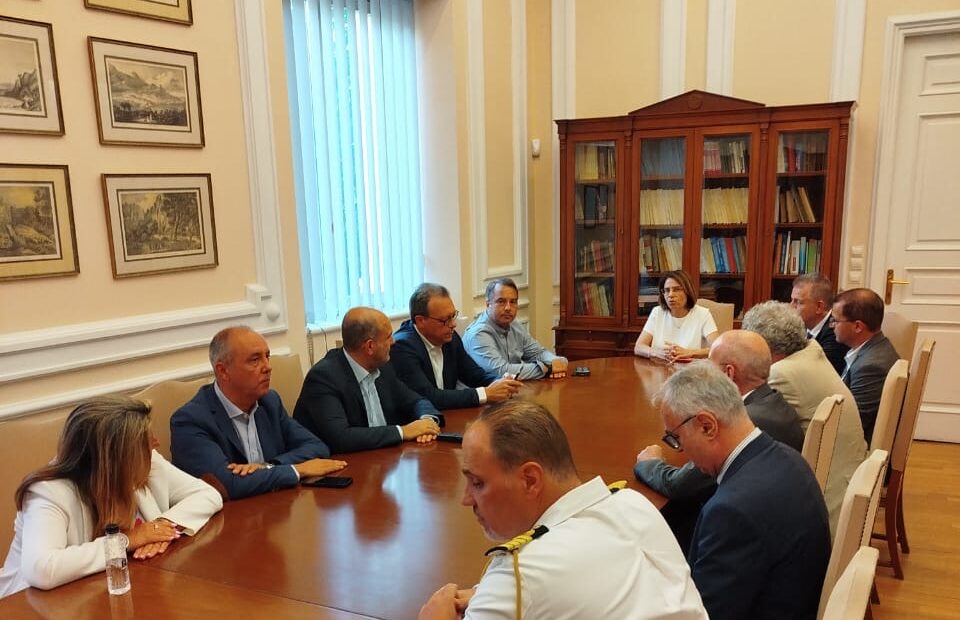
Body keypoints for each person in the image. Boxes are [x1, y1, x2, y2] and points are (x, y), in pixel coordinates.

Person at [418, 400, 707, 620]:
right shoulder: (632, 502)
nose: (466, 499)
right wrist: (491, 595)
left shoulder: (518, 576)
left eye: (477, 483)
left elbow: (534, 583)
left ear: (530, 480)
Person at [656, 362, 830, 620]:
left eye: (676, 438)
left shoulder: (732, 511)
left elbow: (706, 614)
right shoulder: (790, 457)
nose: (681, 451)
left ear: (707, 426)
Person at [0, 397, 222, 598]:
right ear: (115, 458)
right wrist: (127, 540)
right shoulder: (48, 492)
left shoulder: (148, 462)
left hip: (114, 591)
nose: (156, 443)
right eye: (145, 441)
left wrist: (161, 527)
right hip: (31, 605)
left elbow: (208, 494)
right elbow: (41, 570)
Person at [171, 326, 346, 500]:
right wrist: (296, 470)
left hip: (273, 507)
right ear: (223, 371)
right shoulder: (190, 420)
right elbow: (225, 485)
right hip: (230, 515)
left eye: (267, 357)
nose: (268, 367)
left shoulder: (269, 402)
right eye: (255, 360)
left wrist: (267, 466)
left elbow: (316, 446)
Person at [635, 330, 804, 507]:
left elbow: (679, 485)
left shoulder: (742, 422)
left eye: (709, 365)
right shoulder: (777, 402)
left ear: (728, 373)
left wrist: (650, 463)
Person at [743, 301, 866, 534]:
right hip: (847, 478)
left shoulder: (780, 373)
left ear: (763, 348)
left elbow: (743, 425)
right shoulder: (811, 351)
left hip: (824, 502)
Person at [293, 307, 442, 453]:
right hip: (344, 463)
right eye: (388, 336)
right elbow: (341, 438)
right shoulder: (323, 378)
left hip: (384, 458)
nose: (393, 341)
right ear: (370, 346)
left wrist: (427, 422)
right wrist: (403, 431)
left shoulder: (383, 366)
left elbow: (416, 401)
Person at [391, 283, 521, 409]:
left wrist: (501, 382)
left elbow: (474, 375)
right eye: (445, 320)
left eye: (453, 316)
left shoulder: (449, 337)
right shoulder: (402, 347)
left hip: (450, 414)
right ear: (420, 321)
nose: (453, 324)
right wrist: (485, 394)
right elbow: (429, 396)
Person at [832, 288, 902, 443]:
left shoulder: (871, 367)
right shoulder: (873, 348)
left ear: (858, 326)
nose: (832, 326)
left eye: (835, 321)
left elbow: (853, 425)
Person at [463, 278, 568, 380]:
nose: (508, 308)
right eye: (501, 301)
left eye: (513, 302)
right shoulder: (478, 334)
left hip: (511, 389)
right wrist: (549, 368)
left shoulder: (514, 325)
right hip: (483, 391)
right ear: (488, 304)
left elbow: (538, 353)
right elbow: (502, 372)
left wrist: (558, 362)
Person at [634, 270, 719, 362]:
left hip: (691, 368)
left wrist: (690, 352)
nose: (671, 295)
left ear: (687, 291)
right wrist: (656, 353)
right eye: (667, 290)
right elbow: (638, 347)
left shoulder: (703, 314)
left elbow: (717, 348)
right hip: (660, 366)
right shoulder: (657, 312)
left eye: (677, 289)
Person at [790, 273, 849, 375]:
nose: (791, 306)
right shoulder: (801, 326)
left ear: (819, 307)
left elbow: (810, 372)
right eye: (791, 300)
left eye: (798, 302)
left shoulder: (835, 333)